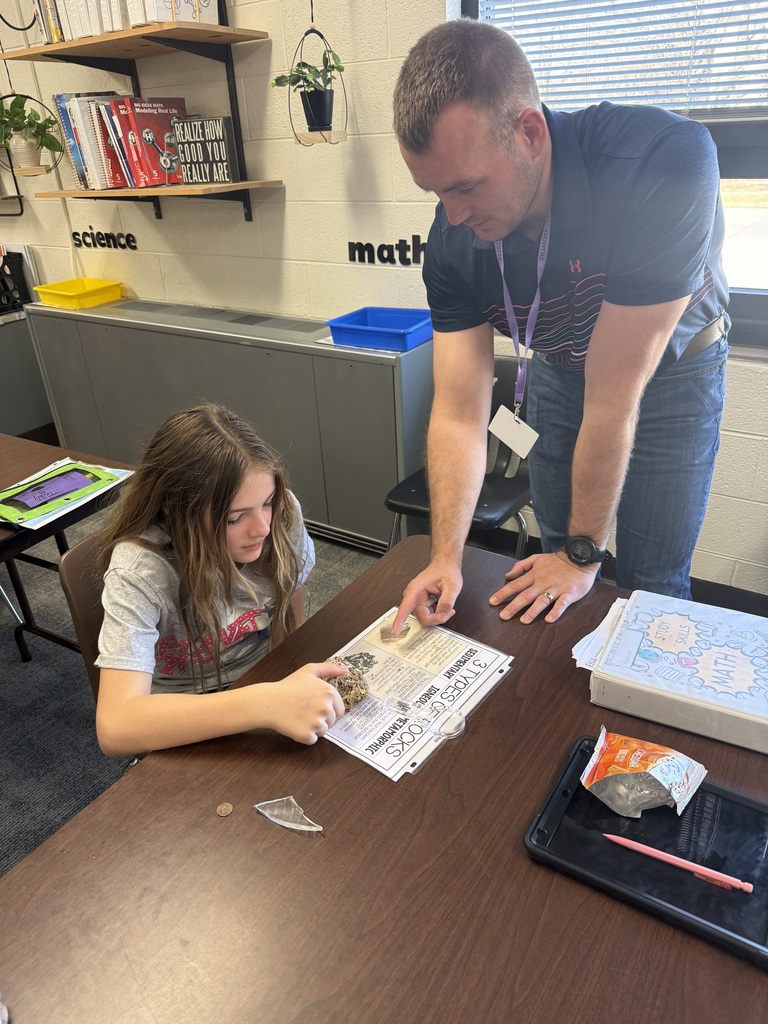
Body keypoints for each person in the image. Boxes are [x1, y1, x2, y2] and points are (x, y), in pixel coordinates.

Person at [391, 19, 728, 635]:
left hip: (671, 374)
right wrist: (446, 556)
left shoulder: (663, 163)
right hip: (557, 364)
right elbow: (460, 412)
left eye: (466, 186)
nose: (453, 216)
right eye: (435, 192)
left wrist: (582, 554)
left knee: (649, 583)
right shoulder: (453, 238)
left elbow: (612, 397)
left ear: (530, 133)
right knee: (551, 569)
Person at [94, 403, 347, 756]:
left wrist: (291, 665)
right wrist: (263, 702)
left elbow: (291, 592)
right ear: (175, 511)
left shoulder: (280, 514)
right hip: (185, 712)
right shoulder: (139, 571)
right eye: (234, 518)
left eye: (267, 502)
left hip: (267, 679)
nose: (263, 528)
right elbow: (116, 727)